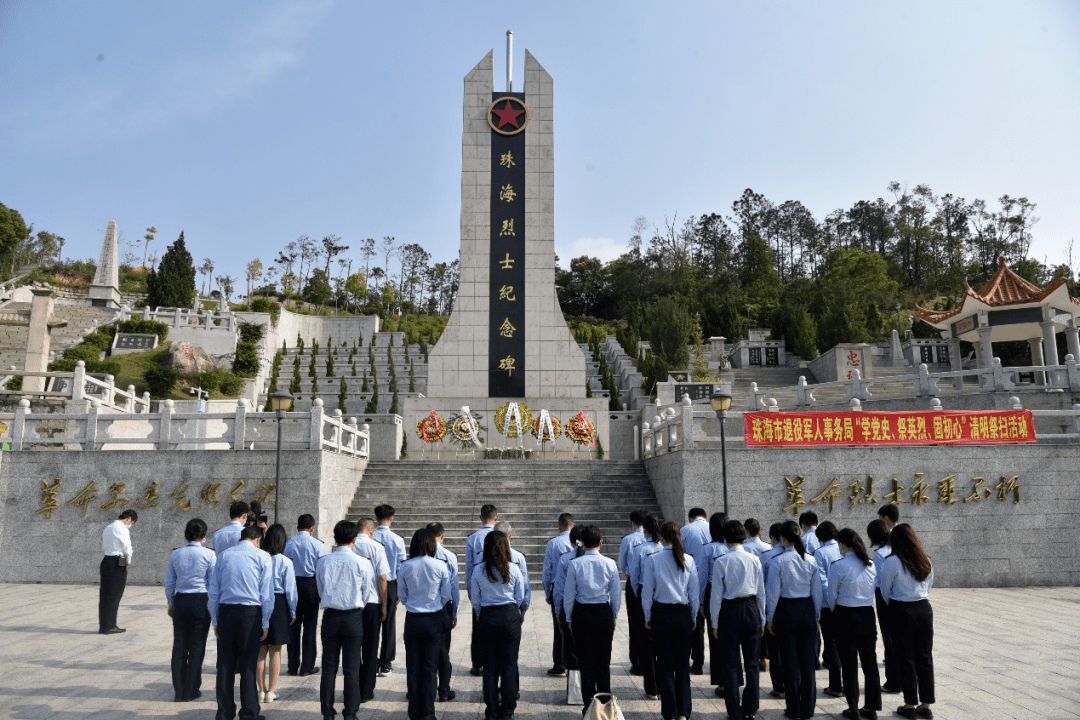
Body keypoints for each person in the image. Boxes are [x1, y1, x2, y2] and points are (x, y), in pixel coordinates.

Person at [208, 524, 274, 720]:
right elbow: (266, 593)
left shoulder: (224, 556)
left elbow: (214, 592)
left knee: (225, 665)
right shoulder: (262, 556)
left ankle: (224, 712)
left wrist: (215, 620)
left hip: (227, 612)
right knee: (248, 665)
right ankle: (249, 713)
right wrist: (265, 621)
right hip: (250, 614)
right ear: (257, 540)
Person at [642, 520, 698, 720]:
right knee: (682, 666)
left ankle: (671, 712)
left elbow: (647, 592)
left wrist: (647, 616)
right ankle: (684, 712)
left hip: (661, 614)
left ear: (661, 537)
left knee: (665, 666)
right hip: (682, 614)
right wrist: (693, 616)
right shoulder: (688, 560)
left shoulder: (653, 559)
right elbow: (694, 592)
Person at [710, 520, 766, 720]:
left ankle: (734, 710)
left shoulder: (721, 561)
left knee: (731, 664)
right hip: (751, 609)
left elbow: (716, 596)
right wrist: (763, 617)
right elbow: (761, 591)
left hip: (729, 610)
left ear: (725, 538)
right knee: (752, 663)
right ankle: (751, 707)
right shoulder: (754, 559)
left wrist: (715, 623)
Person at [766, 520, 822, 720]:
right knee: (807, 664)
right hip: (806, 608)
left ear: (782, 539)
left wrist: (769, 617)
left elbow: (773, 593)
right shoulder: (811, 560)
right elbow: (817, 592)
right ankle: (808, 710)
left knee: (789, 663)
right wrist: (816, 616)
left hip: (786, 610)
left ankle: (793, 709)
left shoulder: (778, 561)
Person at [316, 520, 371, 720]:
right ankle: (350, 712)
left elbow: (321, 589)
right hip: (353, 616)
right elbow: (366, 594)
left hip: (330, 616)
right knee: (351, 668)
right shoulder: (363, 563)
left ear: (335, 538)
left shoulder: (322, 561)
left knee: (329, 668)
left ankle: (328, 712)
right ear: (354, 540)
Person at [880, 524, 935, 720]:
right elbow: (928, 585)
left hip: (901, 609)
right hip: (924, 609)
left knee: (906, 658)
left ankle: (910, 704)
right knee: (925, 657)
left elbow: (885, 590)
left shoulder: (892, 561)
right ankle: (926, 705)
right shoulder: (925, 559)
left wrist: (896, 603)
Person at [470, 531, 527, 720]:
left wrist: (482, 615)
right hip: (509, 615)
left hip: (487, 616)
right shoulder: (514, 568)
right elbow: (520, 597)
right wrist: (515, 613)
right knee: (509, 666)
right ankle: (508, 710)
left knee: (490, 667)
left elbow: (475, 599)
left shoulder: (478, 570)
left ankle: (492, 710)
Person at [564, 524, 621, 713]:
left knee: (586, 663)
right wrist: (613, 615)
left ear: (583, 544)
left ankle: (589, 707)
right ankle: (605, 705)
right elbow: (616, 594)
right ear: (601, 542)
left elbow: (569, 594)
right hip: (603, 612)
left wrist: (569, 617)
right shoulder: (610, 563)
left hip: (582, 613)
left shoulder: (575, 564)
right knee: (603, 663)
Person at [399, 527, 453, 720]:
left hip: (413, 619)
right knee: (430, 668)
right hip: (433, 619)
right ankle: (428, 713)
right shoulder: (440, 566)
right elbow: (446, 595)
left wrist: (415, 603)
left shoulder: (405, 566)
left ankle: (414, 711)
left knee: (413, 668)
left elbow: (402, 596)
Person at [828, 528, 881, 720]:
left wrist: (837, 613)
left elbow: (831, 595)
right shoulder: (871, 564)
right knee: (870, 663)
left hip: (845, 615)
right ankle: (872, 707)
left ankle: (853, 708)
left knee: (849, 665)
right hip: (867, 615)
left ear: (841, 544)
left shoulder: (838, 566)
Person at [165, 517, 215, 702]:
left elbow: (170, 581)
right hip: (201, 601)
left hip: (181, 599)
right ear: (203, 536)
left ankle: (178, 690)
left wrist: (171, 602)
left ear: (187, 534)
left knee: (179, 646)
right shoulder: (210, 555)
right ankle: (191, 689)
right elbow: (213, 584)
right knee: (196, 646)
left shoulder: (176, 554)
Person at [257, 524, 297, 704]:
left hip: (260, 602)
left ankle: (261, 690)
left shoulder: (259, 558)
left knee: (260, 650)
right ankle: (271, 691)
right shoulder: (286, 561)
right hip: (279, 603)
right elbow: (291, 590)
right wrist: (293, 610)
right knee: (276, 650)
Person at [284, 514, 326, 677]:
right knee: (309, 626)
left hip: (294, 584)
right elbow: (321, 570)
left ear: (297, 526)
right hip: (310, 585)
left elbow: (286, 566)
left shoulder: (290, 543)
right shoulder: (317, 544)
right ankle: (307, 666)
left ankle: (293, 665)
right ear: (311, 528)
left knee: (293, 625)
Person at [353, 518, 390, 702]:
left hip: (352, 603)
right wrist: (384, 605)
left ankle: (351, 688)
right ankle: (366, 690)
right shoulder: (376, 547)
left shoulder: (348, 544)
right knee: (369, 648)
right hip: (372, 602)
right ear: (371, 530)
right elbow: (382, 578)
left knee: (352, 649)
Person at [627, 515, 662, 700]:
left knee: (647, 643)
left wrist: (637, 594)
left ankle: (652, 688)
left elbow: (634, 577)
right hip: (662, 595)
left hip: (643, 592)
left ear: (645, 531)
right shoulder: (664, 548)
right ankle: (665, 686)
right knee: (663, 644)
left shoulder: (640, 550)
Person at [697, 512, 731, 697]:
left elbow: (702, 578)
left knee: (715, 637)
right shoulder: (732, 547)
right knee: (731, 639)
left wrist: (702, 601)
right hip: (731, 593)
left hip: (712, 592)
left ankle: (722, 682)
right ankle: (732, 678)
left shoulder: (708, 549)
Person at [866, 519, 900, 694]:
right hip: (900, 596)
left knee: (889, 639)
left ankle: (893, 681)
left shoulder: (879, 553)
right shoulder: (898, 549)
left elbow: (882, 580)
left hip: (885, 597)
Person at [427, 522, 459, 703]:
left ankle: (420, 689)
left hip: (423, 608)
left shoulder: (418, 555)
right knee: (443, 651)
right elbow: (453, 588)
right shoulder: (449, 556)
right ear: (442, 535)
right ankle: (444, 690)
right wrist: (454, 612)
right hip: (443, 608)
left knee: (423, 652)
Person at [465, 503, 498, 676]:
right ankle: (493, 661)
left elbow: (469, 566)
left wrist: (470, 589)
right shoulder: (499, 536)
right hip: (497, 583)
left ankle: (477, 663)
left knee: (478, 626)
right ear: (496, 517)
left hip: (478, 583)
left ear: (480, 518)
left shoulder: (473, 538)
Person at [373, 504, 406, 677]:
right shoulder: (397, 539)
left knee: (372, 623)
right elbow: (401, 565)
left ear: (376, 518)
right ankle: (386, 663)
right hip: (391, 583)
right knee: (389, 623)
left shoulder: (370, 537)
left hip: (372, 584)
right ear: (392, 518)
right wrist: (400, 588)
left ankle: (371, 661)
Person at [541, 512, 574, 678]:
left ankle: (560, 664)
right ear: (572, 525)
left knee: (559, 627)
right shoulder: (579, 542)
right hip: (576, 589)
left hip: (559, 589)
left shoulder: (553, 543)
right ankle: (573, 662)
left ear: (559, 526)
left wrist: (548, 592)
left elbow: (547, 570)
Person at [814, 521, 844, 697]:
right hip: (845, 603)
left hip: (828, 605)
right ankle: (847, 683)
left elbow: (822, 582)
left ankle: (835, 685)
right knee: (845, 645)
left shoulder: (820, 553)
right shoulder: (843, 549)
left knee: (831, 644)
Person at [680, 507, 711, 675]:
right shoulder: (712, 527)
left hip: (695, 580)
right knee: (715, 624)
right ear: (705, 517)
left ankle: (698, 663)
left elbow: (681, 556)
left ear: (690, 518)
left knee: (697, 624)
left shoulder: (685, 530)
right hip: (714, 582)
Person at [552, 525, 584, 683]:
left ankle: (575, 689)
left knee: (571, 648)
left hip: (570, 607)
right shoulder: (603, 561)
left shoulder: (565, 559)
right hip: (593, 608)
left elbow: (559, 587)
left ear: (572, 541)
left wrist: (558, 609)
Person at [618, 509, 648, 675]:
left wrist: (631, 573)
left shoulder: (629, 540)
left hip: (634, 583)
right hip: (653, 584)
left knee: (635, 623)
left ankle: (637, 662)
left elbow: (622, 563)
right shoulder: (654, 540)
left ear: (633, 522)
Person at [760, 522, 787, 699]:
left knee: (775, 650)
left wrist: (767, 616)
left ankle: (779, 687)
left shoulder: (767, 557)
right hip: (796, 606)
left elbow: (762, 586)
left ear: (773, 538)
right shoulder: (803, 556)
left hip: (774, 607)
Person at [100, 509, 137, 634]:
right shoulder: (122, 528)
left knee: (105, 595)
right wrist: (129, 559)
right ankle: (110, 626)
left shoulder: (108, 527)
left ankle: (104, 626)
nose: (130, 525)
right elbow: (127, 546)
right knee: (114, 596)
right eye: (131, 522)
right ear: (128, 519)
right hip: (117, 563)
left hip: (106, 561)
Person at [496, 521, 533, 616]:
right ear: (510, 536)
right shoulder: (518, 557)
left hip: (489, 609)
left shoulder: (484, 557)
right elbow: (524, 586)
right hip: (511, 608)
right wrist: (522, 609)